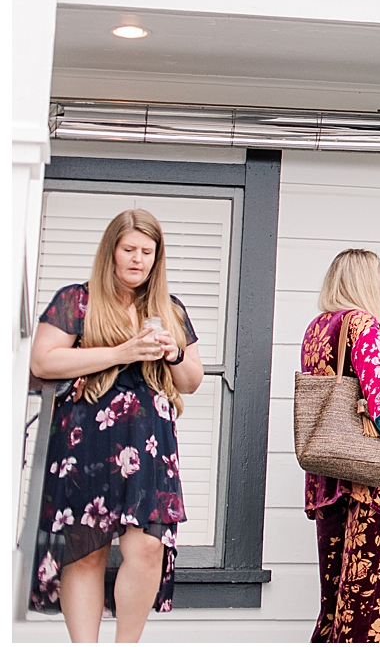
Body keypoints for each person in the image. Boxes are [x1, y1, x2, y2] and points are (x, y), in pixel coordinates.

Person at [28, 209, 203, 641]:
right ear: (111, 251)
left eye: (147, 252)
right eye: (129, 249)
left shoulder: (170, 309)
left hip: (148, 442)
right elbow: (44, 360)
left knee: (146, 548)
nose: (137, 259)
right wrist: (121, 351)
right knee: (86, 552)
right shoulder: (77, 300)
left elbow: (192, 381)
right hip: (85, 436)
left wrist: (174, 354)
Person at [302, 249, 380, 643]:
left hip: (330, 476)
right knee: (373, 604)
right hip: (372, 485)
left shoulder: (318, 327)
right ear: (367, 283)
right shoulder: (361, 322)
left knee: (335, 604)